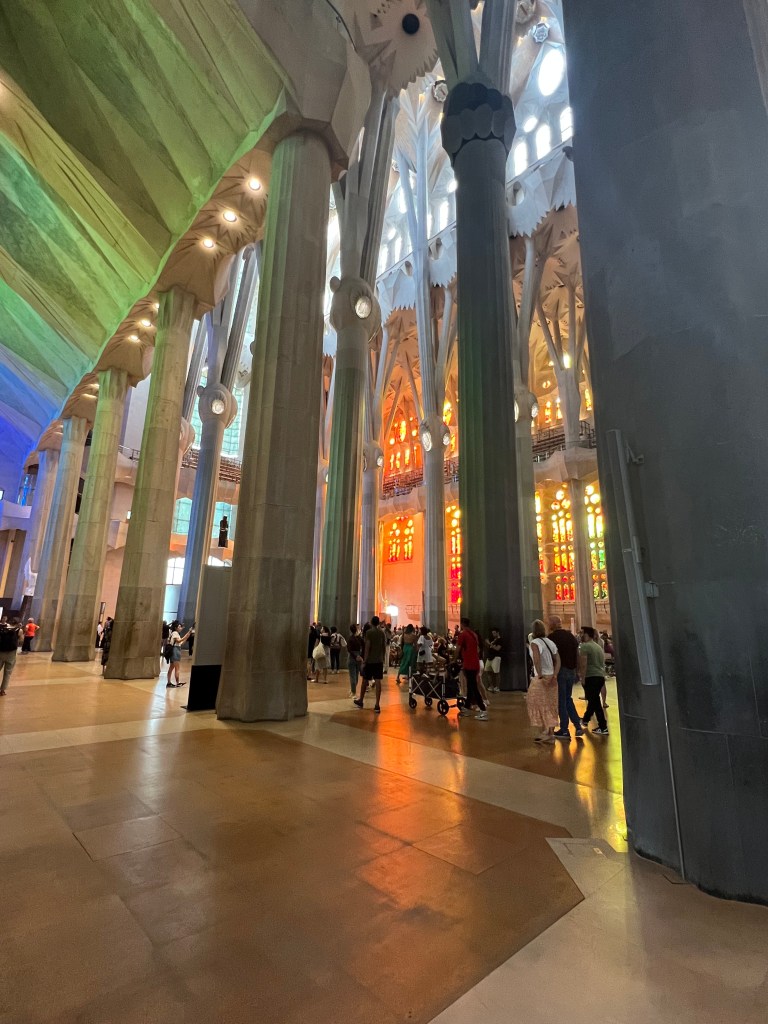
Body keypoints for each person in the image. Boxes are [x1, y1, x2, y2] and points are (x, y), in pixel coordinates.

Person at [549, 615, 585, 740]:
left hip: (560, 671)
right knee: (568, 699)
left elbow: (552, 657)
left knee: (561, 701)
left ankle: (564, 730)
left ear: (553, 624)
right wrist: (578, 670)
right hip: (571, 671)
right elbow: (577, 654)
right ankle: (578, 726)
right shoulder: (570, 636)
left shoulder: (551, 638)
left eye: (549, 622)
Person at [527, 620, 560, 742]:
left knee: (537, 703)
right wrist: (555, 674)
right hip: (551, 676)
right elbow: (558, 660)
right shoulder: (550, 642)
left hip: (541, 677)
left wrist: (540, 675)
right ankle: (550, 732)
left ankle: (545, 731)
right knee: (551, 704)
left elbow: (536, 660)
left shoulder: (535, 643)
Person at [456, 616, 488, 720]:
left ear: (462, 624)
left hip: (469, 664)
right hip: (475, 663)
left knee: (473, 687)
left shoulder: (463, 635)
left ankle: (483, 709)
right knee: (470, 686)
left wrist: (454, 659)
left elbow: (458, 648)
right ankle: (466, 707)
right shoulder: (474, 635)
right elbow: (477, 649)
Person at [579, 626, 609, 734]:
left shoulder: (585, 646)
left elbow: (583, 664)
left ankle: (603, 726)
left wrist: (582, 678)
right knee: (593, 700)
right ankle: (586, 719)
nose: (580, 635)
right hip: (600, 676)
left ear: (586, 634)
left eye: (582, 633)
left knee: (595, 702)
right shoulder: (597, 647)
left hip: (591, 676)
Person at [354, 614, 385, 714]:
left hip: (370, 660)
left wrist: (365, 661)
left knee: (365, 681)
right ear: (378, 623)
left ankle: (361, 700)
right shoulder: (381, 633)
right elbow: (383, 646)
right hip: (379, 660)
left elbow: (367, 647)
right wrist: (383, 658)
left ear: (371, 623)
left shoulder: (369, 632)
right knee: (378, 681)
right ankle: (377, 705)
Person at [166, 620, 192, 688]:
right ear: (176, 627)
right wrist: (186, 635)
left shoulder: (175, 633)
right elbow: (179, 641)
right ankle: (177, 683)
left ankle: (169, 682)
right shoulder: (175, 633)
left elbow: (181, 643)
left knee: (171, 668)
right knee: (177, 668)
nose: (180, 628)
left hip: (175, 650)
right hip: (175, 651)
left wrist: (188, 634)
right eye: (179, 627)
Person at [0, 618, 22, 694]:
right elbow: (21, 640)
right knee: (7, 672)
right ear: (18, 623)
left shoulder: (2, 628)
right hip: (11, 653)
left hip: (1, 652)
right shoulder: (19, 630)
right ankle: (2, 690)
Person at [347, 624, 363, 698]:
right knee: (356, 675)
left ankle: (353, 692)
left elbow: (349, 649)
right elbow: (364, 646)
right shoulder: (359, 638)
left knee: (352, 675)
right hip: (359, 656)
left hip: (352, 657)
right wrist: (360, 656)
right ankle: (353, 690)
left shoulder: (350, 639)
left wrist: (355, 656)